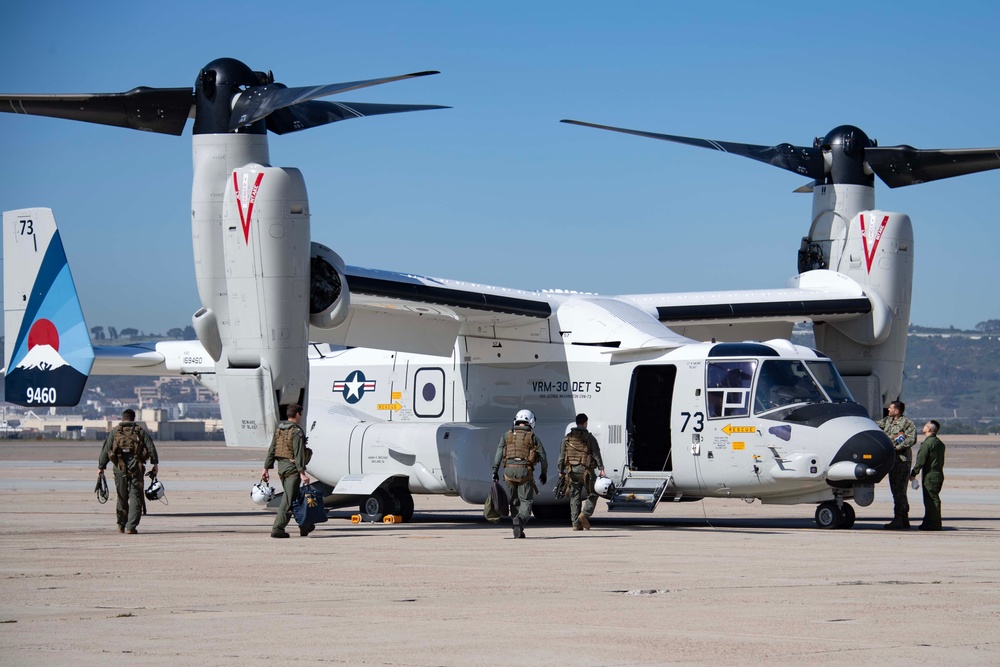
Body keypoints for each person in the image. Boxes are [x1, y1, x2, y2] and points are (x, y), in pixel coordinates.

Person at [97, 408, 159, 534]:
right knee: (135, 496)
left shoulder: (115, 432)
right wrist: (155, 464)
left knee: (121, 497)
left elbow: (106, 450)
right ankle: (131, 527)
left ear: (122, 418)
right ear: (133, 418)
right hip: (137, 468)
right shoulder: (139, 431)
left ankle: (120, 525)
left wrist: (101, 467)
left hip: (119, 469)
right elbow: (150, 447)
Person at [492, 409, 548, 538]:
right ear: (531, 421)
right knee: (526, 501)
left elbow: (498, 454)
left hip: (508, 472)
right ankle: (521, 520)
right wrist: (544, 473)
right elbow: (543, 456)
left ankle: (517, 528)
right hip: (524, 472)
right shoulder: (532, 437)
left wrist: (494, 471)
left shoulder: (507, 435)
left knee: (514, 501)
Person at [261, 404, 313, 538]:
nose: (301, 417)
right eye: (301, 414)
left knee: (295, 498)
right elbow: (298, 454)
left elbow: (272, 449)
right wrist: (302, 473)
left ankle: (305, 525)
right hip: (292, 471)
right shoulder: (297, 432)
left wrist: (266, 468)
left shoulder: (279, 430)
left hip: (282, 470)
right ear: (297, 414)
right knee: (288, 500)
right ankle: (277, 528)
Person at [558, 413, 606, 531]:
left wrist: (560, 470)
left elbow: (561, 456)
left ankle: (575, 524)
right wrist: (601, 468)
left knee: (574, 497)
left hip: (571, 471)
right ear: (585, 422)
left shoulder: (567, 438)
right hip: (586, 471)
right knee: (594, 493)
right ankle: (585, 514)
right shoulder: (589, 438)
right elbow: (596, 454)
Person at [877, 400, 917, 529]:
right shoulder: (887, 421)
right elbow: (876, 425)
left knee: (899, 489)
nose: (888, 410)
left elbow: (911, 439)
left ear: (897, 410)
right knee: (896, 489)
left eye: (890, 408)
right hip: (892, 459)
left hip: (901, 460)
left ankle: (899, 518)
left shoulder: (906, 423)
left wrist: (896, 447)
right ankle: (904, 519)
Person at [910, 420, 946, 531]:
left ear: (929, 429)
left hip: (930, 475)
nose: (923, 427)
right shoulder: (939, 443)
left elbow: (921, 460)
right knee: (930, 499)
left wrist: (913, 473)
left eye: (925, 426)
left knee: (931, 500)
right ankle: (928, 522)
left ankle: (934, 524)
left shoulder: (928, 443)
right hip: (938, 473)